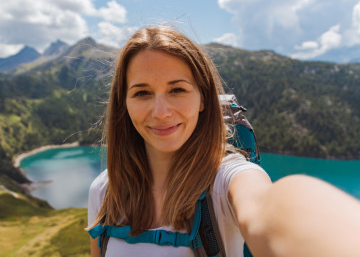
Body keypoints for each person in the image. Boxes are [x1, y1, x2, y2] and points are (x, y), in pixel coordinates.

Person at [87, 26, 360, 257]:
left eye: (177, 89)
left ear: (203, 98)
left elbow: (266, 205)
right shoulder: (104, 190)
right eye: (142, 93)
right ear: (124, 103)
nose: (161, 112)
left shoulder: (225, 180)